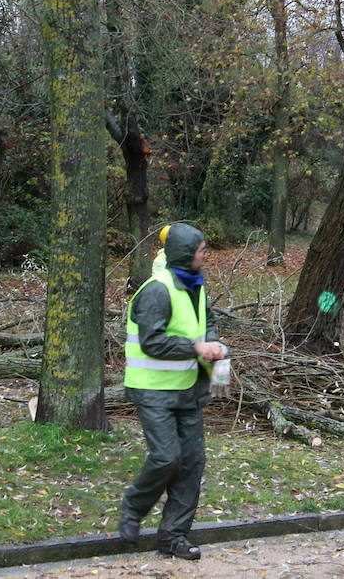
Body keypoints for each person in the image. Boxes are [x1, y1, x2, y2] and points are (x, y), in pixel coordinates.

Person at [119, 222, 227, 561]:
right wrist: (197, 348)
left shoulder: (196, 284)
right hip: (152, 391)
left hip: (187, 389)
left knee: (192, 463)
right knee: (167, 457)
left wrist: (214, 345)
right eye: (201, 249)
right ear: (184, 253)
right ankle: (133, 510)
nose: (206, 254)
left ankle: (173, 537)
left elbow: (206, 321)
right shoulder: (157, 290)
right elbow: (152, 342)